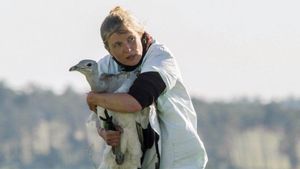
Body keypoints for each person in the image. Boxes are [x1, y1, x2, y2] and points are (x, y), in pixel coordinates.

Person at [86, 6, 208, 169]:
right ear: (108, 49)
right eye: (117, 44)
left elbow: (137, 100)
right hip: (135, 161)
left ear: (140, 34)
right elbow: (98, 115)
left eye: (131, 39)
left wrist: (93, 97)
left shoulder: (160, 58)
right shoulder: (104, 67)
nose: (127, 49)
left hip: (178, 159)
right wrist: (105, 133)